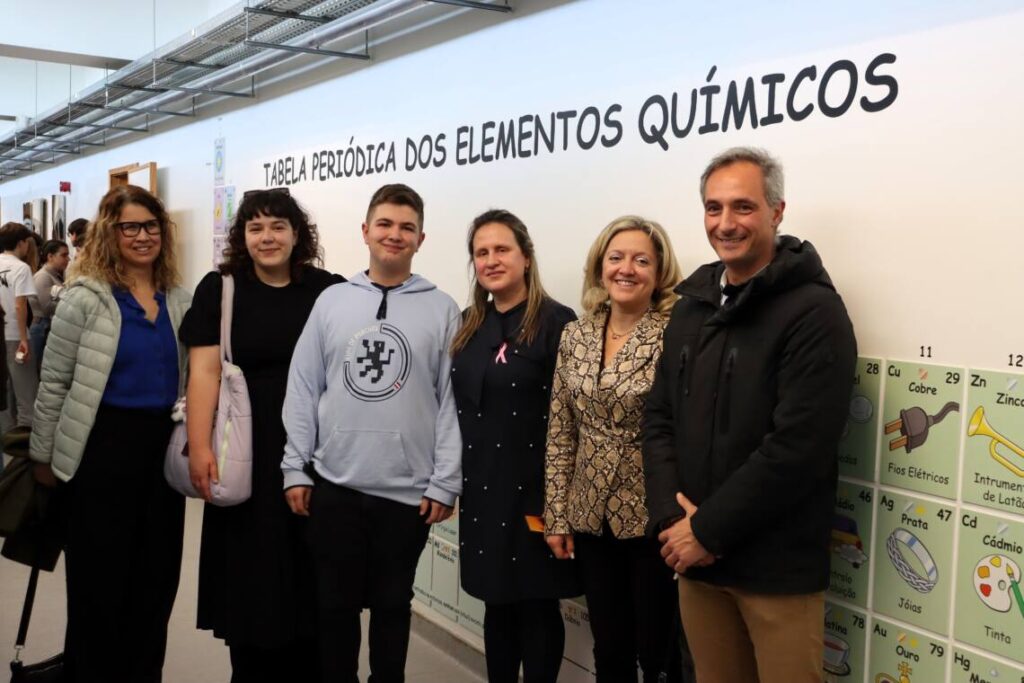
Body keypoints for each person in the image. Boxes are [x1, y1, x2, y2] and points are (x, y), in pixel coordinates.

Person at [643, 147, 857, 683]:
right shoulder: (691, 307)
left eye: (743, 207)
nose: (726, 223)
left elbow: (798, 448)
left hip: (774, 571)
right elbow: (659, 418)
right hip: (696, 561)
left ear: (776, 212)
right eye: (713, 208)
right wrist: (673, 522)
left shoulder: (815, 312)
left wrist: (706, 530)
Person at [281, 183, 462, 683]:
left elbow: (452, 403)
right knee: (334, 610)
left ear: (421, 238)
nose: (394, 235)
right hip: (335, 485)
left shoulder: (443, 309)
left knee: (392, 609)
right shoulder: (332, 302)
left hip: (408, 495)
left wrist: (445, 480)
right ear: (365, 231)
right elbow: (303, 387)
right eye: (384, 224)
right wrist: (295, 466)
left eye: (407, 227)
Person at [178, 188, 343, 682]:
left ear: (297, 234)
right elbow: (203, 373)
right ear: (242, 236)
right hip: (243, 445)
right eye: (255, 228)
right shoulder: (221, 289)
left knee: (311, 568)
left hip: (312, 449)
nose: (267, 237)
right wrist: (199, 448)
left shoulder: (327, 290)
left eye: (277, 227)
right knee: (251, 574)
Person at [29, 184, 192, 683]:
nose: (142, 236)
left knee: (156, 582)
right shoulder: (85, 298)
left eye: (151, 226)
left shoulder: (179, 300)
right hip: (99, 452)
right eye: (130, 227)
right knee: (98, 585)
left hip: (162, 456)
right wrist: (43, 456)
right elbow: (54, 382)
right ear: (110, 233)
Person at [544, 216, 685, 683]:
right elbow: (562, 431)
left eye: (641, 260)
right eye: (617, 258)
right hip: (589, 515)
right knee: (609, 645)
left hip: (653, 517)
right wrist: (557, 516)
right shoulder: (576, 334)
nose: (627, 269)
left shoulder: (677, 335)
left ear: (659, 273)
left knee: (657, 651)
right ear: (600, 266)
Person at [450, 209, 579, 683]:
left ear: (526, 256)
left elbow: (571, 420)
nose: (491, 260)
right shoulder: (469, 324)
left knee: (536, 604)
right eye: (481, 253)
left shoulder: (557, 323)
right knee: (496, 602)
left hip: (536, 494)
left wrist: (559, 504)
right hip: (482, 490)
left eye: (501, 249)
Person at [0, 222, 39, 432]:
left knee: (3, 389)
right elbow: (20, 304)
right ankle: (25, 438)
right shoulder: (21, 268)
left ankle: (6, 436)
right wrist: (24, 339)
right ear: (21, 243)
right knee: (26, 390)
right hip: (15, 334)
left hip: (1, 332)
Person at [30, 239, 70, 373]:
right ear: (50, 256)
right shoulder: (43, 277)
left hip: (47, 326)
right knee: (39, 367)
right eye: (63, 255)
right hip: (42, 327)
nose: (68, 259)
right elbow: (46, 307)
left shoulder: (56, 275)